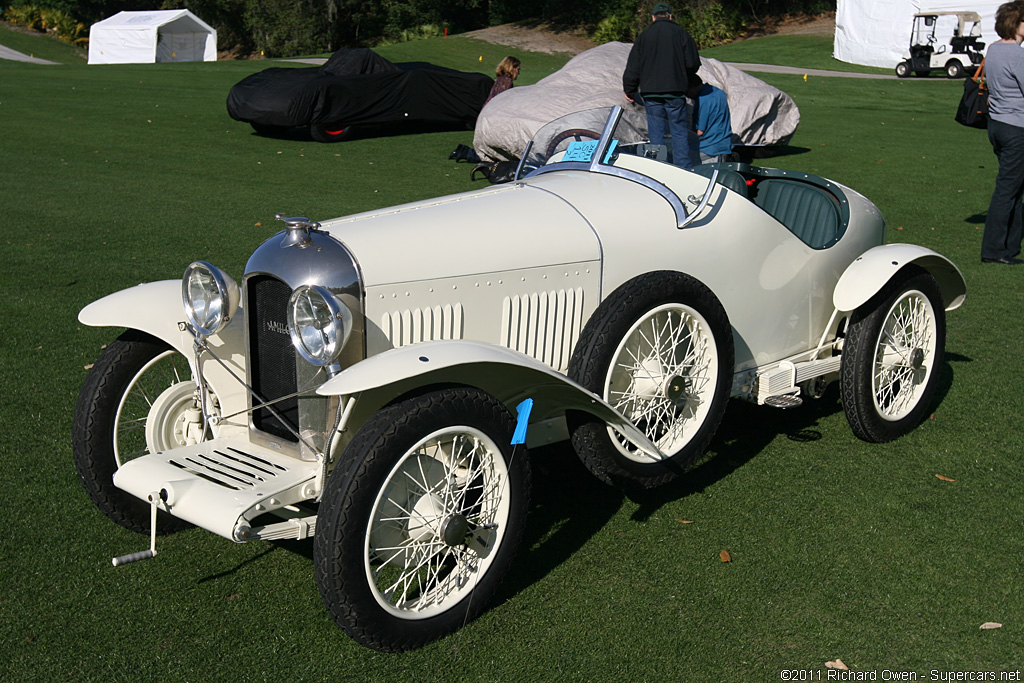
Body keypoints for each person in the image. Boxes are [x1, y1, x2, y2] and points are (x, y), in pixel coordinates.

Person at [622, 2, 701, 168]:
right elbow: (693, 63)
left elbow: (633, 66)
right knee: (679, 131)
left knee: (656, 132)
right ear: (670, 16)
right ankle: (683, 167)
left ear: (653, 17)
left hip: (651, 93)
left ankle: (658, 167)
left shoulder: (644, 36)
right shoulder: (681, 34)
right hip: (675, 91)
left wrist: (629, 89)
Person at [981, 0, 1024, 265]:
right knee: (1007, 190)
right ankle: (993, 250)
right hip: (1016, 128)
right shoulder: (1017, 55)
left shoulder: (993, 49)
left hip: (997, 125)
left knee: (1015, 187)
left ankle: (1009, 246)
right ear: (1016, 23)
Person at [687, 75, 733, 165]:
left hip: (707, 150)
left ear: (692, 87)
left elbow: (699, 131)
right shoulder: (719, 92)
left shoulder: (702, 100)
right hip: (723, 145)